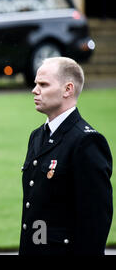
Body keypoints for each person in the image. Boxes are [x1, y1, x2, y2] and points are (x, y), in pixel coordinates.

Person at [19, 57, 113, 255]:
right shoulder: (37, 136)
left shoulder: (86, 142)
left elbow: (96, 220)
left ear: (67, 89)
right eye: (36, 84)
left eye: (43, 84)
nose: (34, 90)